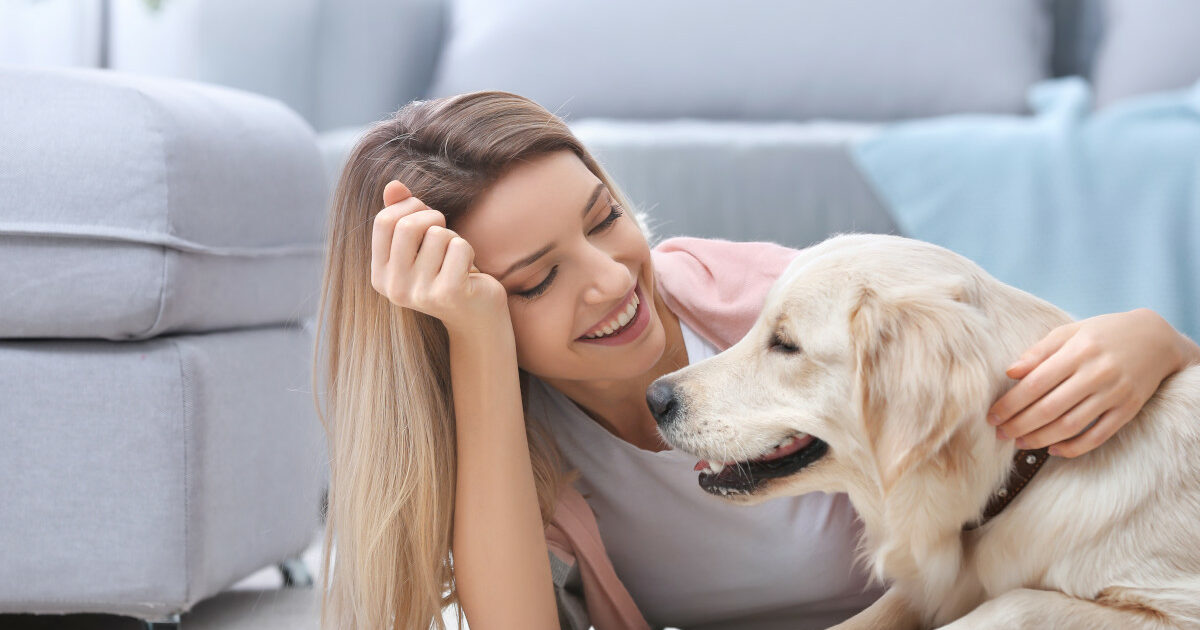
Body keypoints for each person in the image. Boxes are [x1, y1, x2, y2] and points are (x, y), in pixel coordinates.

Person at [310, 90, 1200, 630]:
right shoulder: (516, 449)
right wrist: (475, 347)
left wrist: (1158, 339)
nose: (612, 278)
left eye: (602, 217)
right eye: (537, 280)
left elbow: (993, 368)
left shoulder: (775, 296)